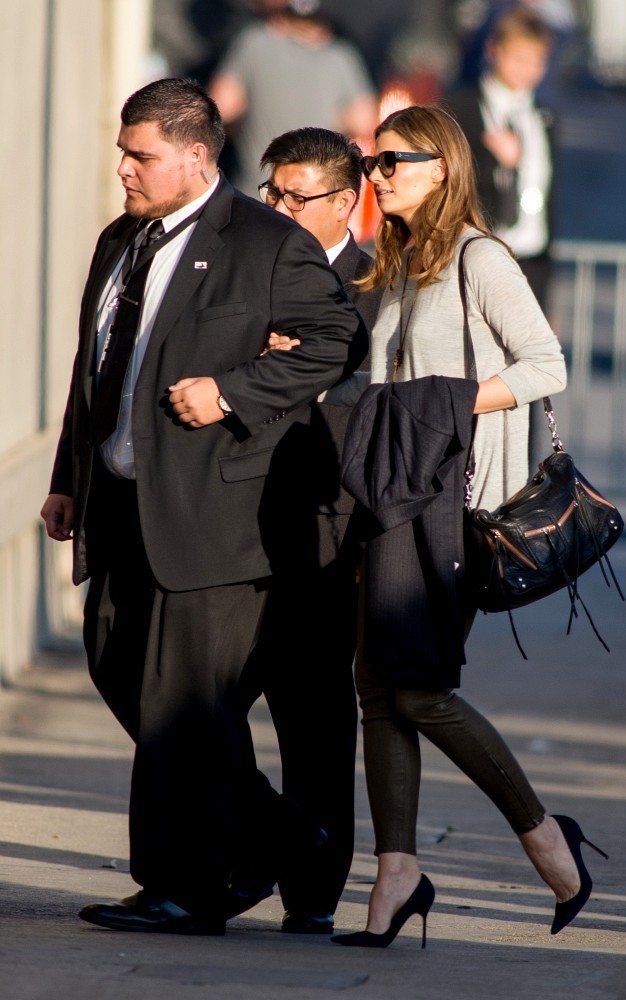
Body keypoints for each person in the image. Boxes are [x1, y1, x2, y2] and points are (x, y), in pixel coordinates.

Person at [39, 77, 365, 936]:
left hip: (213, 516)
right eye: (123, 151)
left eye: (140, 155)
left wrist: (233, 392)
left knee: (181, 705)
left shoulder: (264, 243)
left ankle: (184, 886)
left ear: (195, 155)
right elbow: (95, 366)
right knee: (124, 674)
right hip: (118, 503)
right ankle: (284, 842)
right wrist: (70, 476)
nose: (123, 169)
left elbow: (337, 339)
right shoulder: (122, 241)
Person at [328, 105, 607, 948]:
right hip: (392, 500)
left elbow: (545, 363)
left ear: (442, 167)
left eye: (392, 163)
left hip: (461, 506)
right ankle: (398, 875)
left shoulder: (481, 258)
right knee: (378, 689)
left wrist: (447, 409)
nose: (377, 176)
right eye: (372, 164)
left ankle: (543, 835)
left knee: (418, 689)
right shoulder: (400, 263)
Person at [248, 126, 382, 934]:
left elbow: (374, 396)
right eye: (271, 192)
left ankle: (314, 888)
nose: (279, 208)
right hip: (231, 514)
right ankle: (245, 850)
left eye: (296, 197)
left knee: (314, 712)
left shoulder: (375, 280)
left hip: (328, 523)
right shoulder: (247, 263)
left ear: (344, 202)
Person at [209, 0, 376, 197]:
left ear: (281, 18)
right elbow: (364, 123)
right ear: (325, 25)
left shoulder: (255, 42)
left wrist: (247, 125)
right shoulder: (341, 57)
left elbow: (221, 108)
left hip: (255, 197)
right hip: (311, 199)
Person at [449, 6, 555, 311]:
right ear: (493, 50)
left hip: (532, 258)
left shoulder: (543, 118)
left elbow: (549, 198)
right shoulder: (462, 108)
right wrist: (496, 162)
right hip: (479, 253)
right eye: (519, 58)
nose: (528, 70)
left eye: (537, 61)